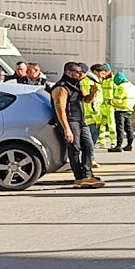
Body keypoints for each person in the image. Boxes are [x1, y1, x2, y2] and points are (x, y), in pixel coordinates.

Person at [50, 61, 103, 189]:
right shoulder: (61, 88)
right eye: (77, 72)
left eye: (81, 71)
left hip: (81, 120)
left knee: (89, 146)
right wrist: (67, 129)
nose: (81, 74)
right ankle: (79, 177)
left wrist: (93, 92)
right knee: (75, 148)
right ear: (69, 72)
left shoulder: (77, 84)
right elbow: (60, 109)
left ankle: (87, 174)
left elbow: (86, 99)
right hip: (70, 121)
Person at [108, 71, 135, 153]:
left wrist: (111, 102)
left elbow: (117, 100)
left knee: (119, 129)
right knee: (129, 128)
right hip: (129, 109)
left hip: (120, 109)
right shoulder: (132, 86)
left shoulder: (121, 87)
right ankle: (129, 145)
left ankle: (118, 146)